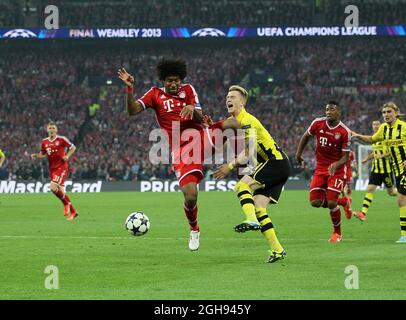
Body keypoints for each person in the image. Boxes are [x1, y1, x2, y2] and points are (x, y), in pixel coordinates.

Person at [118, 59, 237, 251]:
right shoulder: (154, 94)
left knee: (233, 123)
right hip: (182, 151)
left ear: (181, 79)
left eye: (177, 80)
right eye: (169, 80)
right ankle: (194, 229)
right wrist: (130, 89)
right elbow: (132, 111)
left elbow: (200, 117)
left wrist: (193, 111)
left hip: (200, 137)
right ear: (163, 80)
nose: (174, 84)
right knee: (191, 196)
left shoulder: (188, 89)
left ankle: (248, 162)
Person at [214, 85, 291, 263]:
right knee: (259, 207)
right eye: (227, 97)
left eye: (232, 97)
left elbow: (248, 152)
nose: (228, 99)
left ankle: (250, 219)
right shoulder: (237, 122)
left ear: (242, 102)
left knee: (242, 185)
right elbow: (224, 146)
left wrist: (230, 166)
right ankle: (277, 250)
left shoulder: (247, 120)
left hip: (275, 163)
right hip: (276, 165)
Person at [295, 101, 352, 242]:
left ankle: (337, 233)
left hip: (337, 170)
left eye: (332, 110)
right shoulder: (317, 123)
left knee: (332, 203)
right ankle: (344, 202)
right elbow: (306, 136)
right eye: (327, 109)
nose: (328, 112)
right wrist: (298, 154)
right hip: (320, 168)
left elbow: (346, 157)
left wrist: (336, 164)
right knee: (315, 202)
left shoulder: (345, 131)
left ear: (338, 112)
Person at [352, 102, 406, 243]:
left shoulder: (404, 126)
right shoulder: (383, 129)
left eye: (389, 111)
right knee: (400, 199)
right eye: (384, 112)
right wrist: (357, 135)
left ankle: (404, 235)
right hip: (397, 170)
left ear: (396, 112)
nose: (386, 115)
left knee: (401, 199)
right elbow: (371, 139)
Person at [31, 122, 78, 220]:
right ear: (47, 130)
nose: (51, 129)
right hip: (52, 168)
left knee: (53, 187)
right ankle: (73, 211)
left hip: (61, 167)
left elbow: (73, 147)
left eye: (53, 128)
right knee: (61, 192)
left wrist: (67, 156)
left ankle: (66, 205)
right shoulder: (44, 142)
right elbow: (43, 153)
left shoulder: (62, 139)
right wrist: (36, 155)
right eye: (50, 128)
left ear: (56, 130)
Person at [353, 120, 397, 221]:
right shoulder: (374, 139)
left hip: (386, 170)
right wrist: (367, 159)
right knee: (369, 189)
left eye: (377, 124)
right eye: (374, 124)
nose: (375, 126)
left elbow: (391, 151)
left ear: (380, 126)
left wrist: (381, 156)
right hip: (376, 169)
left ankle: (402, 194)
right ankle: (363, 213)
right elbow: (374, 153)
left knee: (391, 193)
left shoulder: (385, 137)